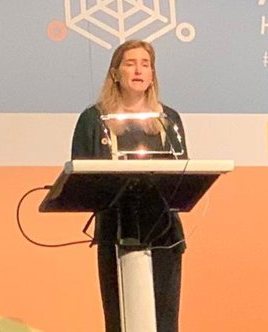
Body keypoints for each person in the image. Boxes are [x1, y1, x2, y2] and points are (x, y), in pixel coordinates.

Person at [71, 38, 187, 332]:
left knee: (164, 322)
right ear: (115, 73)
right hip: (117, 232)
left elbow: (182, 173)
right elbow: (83, 176)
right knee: (121, 320)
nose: (138, 70)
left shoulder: (168, 120)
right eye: (130, 63)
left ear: (152, 74)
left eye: (145, 65)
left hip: (163, 234)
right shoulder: (93, 119)